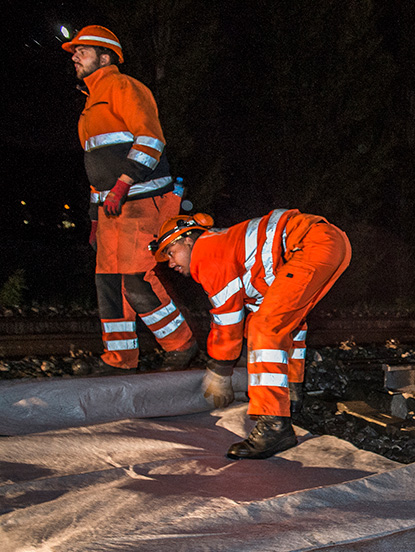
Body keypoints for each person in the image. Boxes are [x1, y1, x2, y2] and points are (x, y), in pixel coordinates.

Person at [148, 209, 351, 459]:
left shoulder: (206, 253)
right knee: (283, 322)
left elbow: (227, 320)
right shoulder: (231, 247)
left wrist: (220, 370)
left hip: (310, 243)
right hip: (327, 241)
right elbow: (256, 304)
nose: (170, 262)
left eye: (170, 251)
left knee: (265, 327)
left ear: (188, 239)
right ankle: (291, 394)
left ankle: (273, 425)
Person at [63, 25, 196, 375]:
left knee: (137, 277)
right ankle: (120, 360)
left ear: (105, 57)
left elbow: (151, 140)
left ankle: (181, 344)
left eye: (82, 51)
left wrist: (124, 184)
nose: (74, 56)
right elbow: (96, 170)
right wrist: (94, 216)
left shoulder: (123, 87)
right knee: (109, 283)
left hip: (143, 200)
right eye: (74, 52)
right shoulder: (90, 105)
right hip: (112, 210)